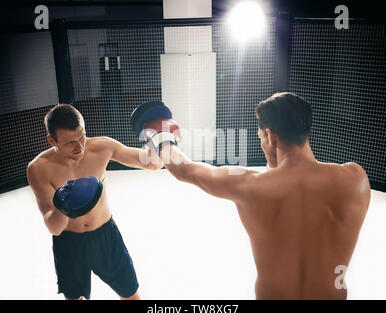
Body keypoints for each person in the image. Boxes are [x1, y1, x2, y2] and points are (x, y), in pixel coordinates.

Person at [133, 93, 371, 299]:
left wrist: (161, 135)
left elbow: (183, 168)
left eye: (261, 139)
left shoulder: (249, 185)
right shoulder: (354, 179)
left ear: (271, 136)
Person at [27, 104, 162, 300]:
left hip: (105, 236)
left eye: (82, 136)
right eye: (70, 142)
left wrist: (160, 138)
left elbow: (152, 164)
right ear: (51, 140)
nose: (80, 146)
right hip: (69, 242)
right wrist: (64, 204)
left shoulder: (102, 147)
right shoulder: (38, 169)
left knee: (131, 297)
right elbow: (54, 227)